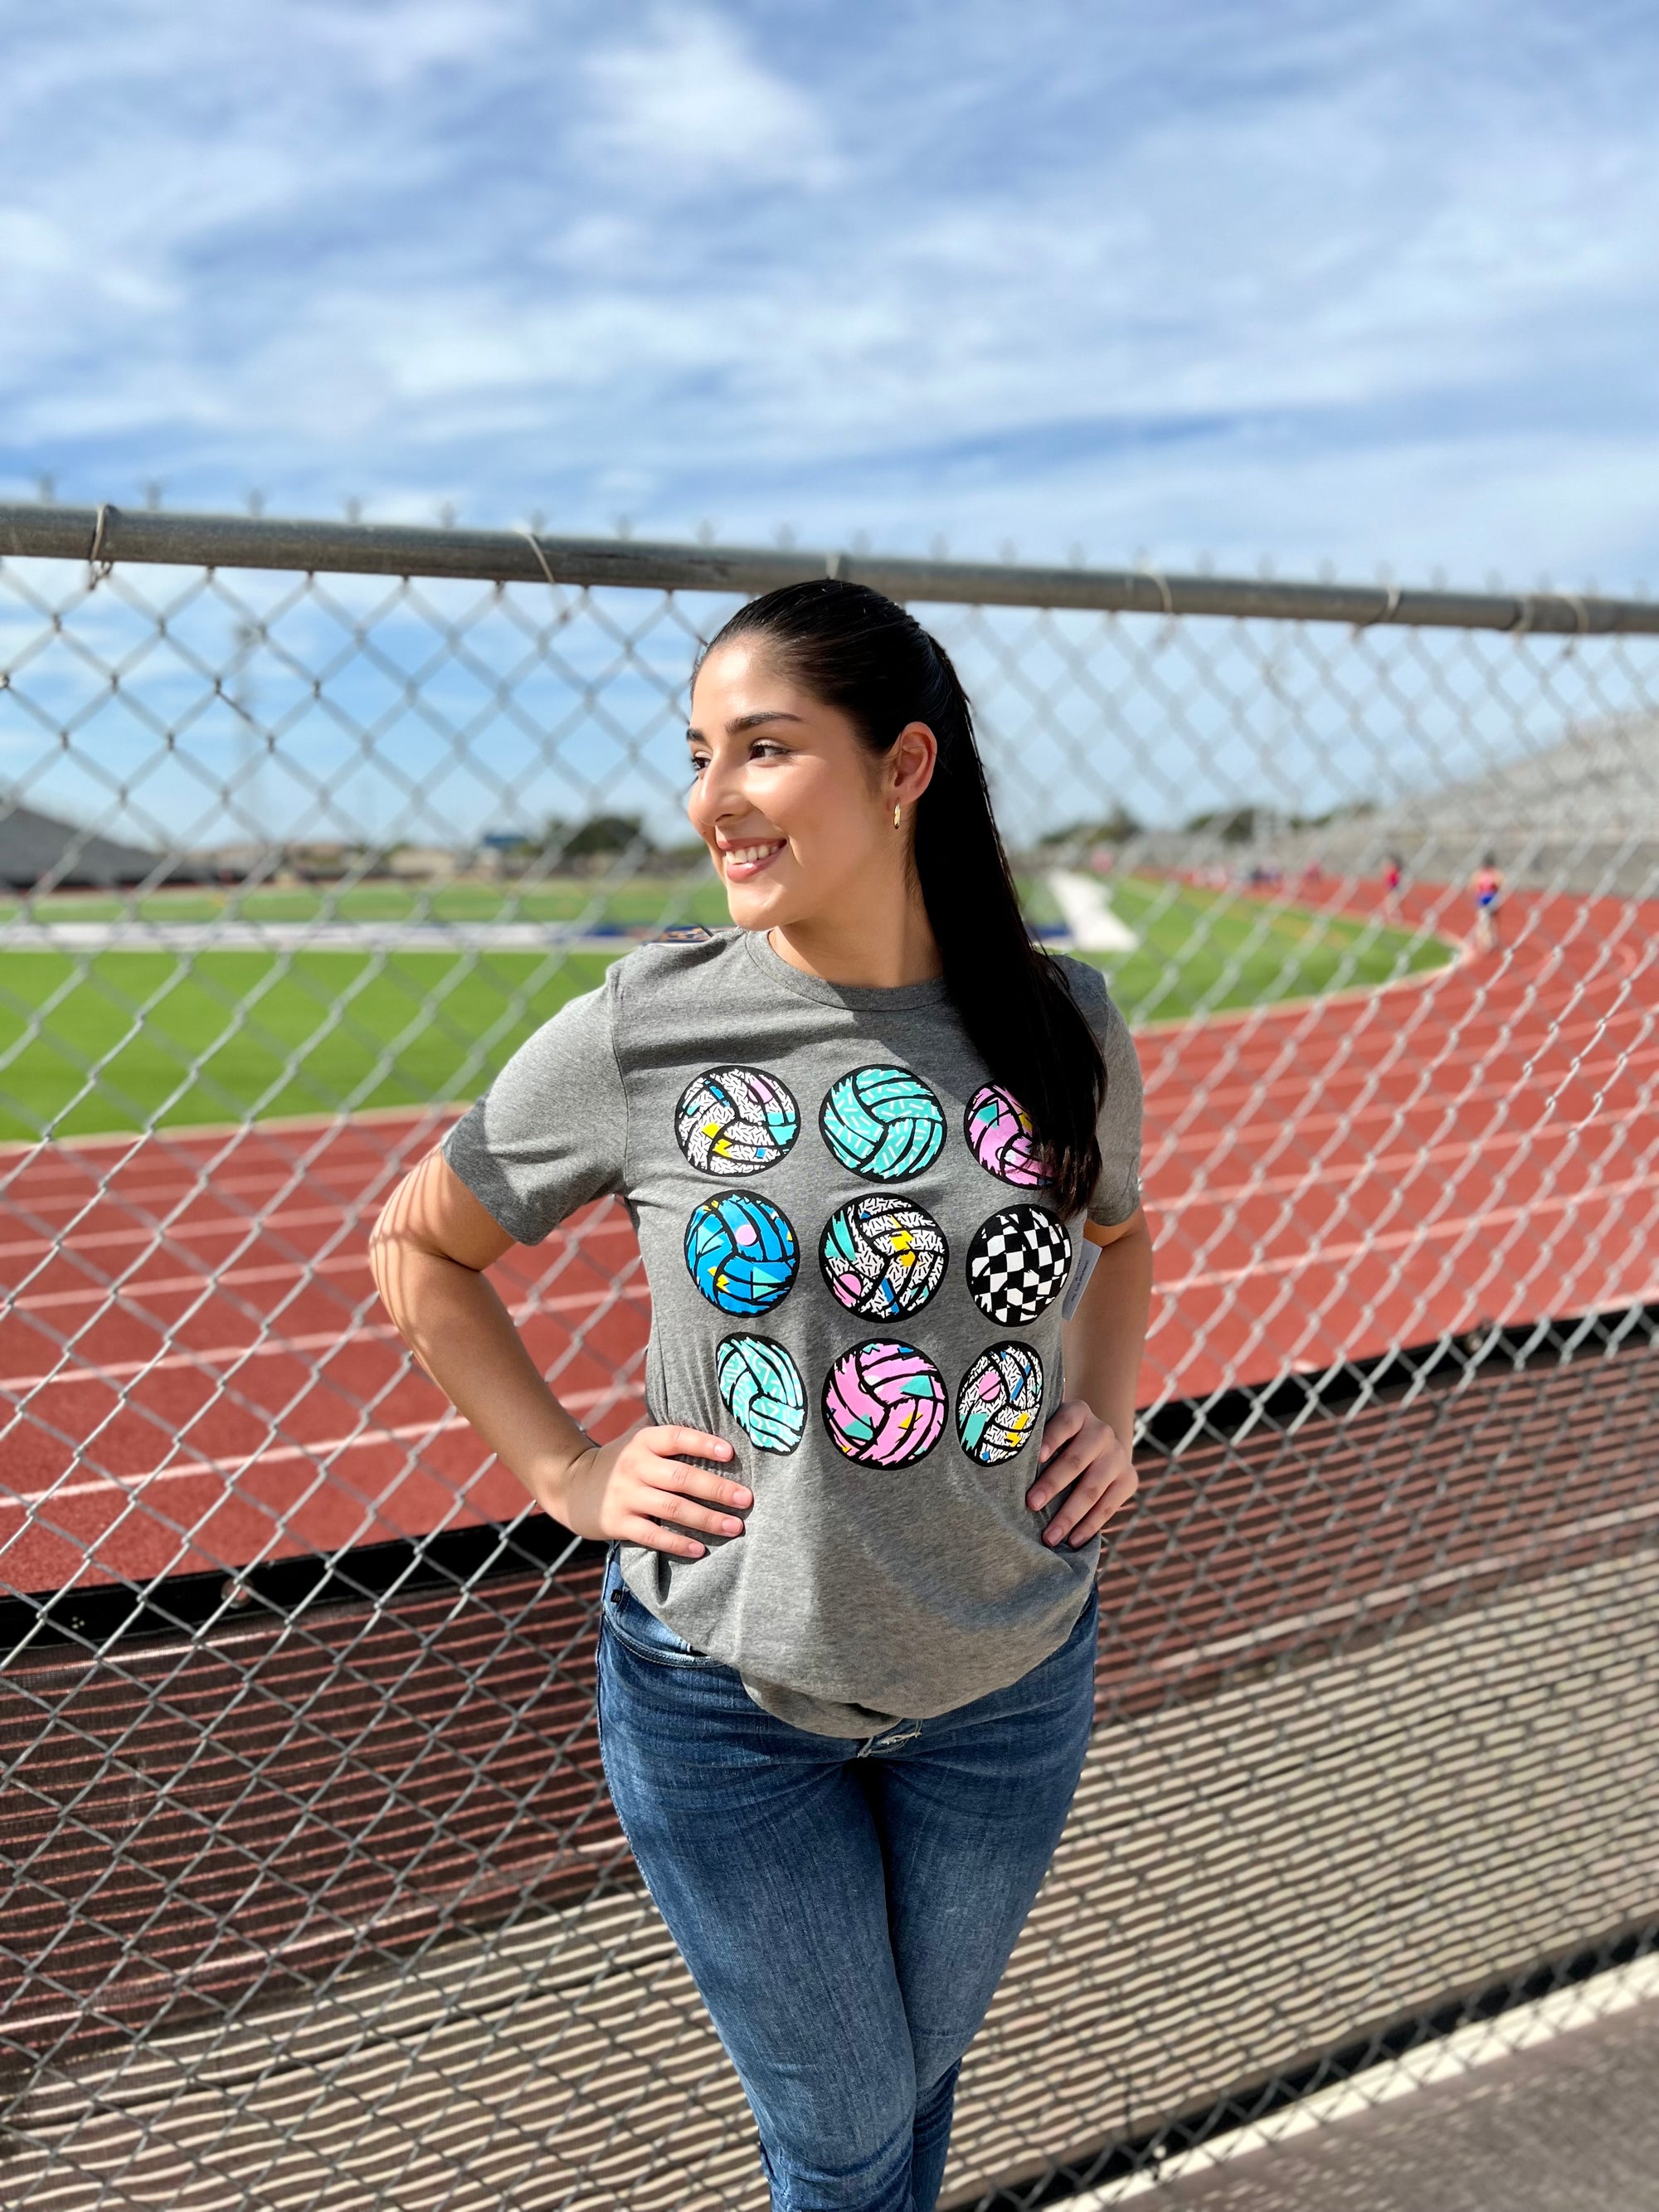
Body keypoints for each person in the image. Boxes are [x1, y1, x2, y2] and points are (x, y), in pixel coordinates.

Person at [370, 580, 1152, 2212]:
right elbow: (418, 1251)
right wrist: (569, 1470)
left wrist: (1108, 1407)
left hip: (1009, 1671)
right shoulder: (653, 1025)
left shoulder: (1061, 1019)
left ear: (903, 764)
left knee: (901, 2100)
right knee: (849, 2129)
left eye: (765, 748)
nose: (710, 797)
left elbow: (1117, 1238)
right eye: (699, 753)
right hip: (730, 1692)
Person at [1470, 853, 1505, 954]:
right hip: (1492, 896)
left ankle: (1485, 941)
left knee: (1483, 919)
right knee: (1491, 919)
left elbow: (1473, 885)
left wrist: (1476, 893)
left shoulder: (1479, 873)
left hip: (1482, 897)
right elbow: (1501, 884)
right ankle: (1489, 940)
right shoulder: (1496, 873)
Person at [1382, 853, 1404, 924]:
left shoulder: (1394, 872)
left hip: (1394, 890)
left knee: (1392, 905)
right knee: (1390, 905)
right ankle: (1394, 919)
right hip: (1393, 890)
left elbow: (1395, 883)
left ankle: (1396, 919)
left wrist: (1390, 888)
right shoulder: (1392, 872)